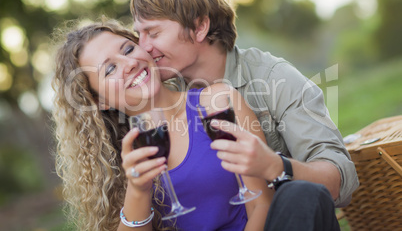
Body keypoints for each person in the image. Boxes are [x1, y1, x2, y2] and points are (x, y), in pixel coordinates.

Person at [130, 0, 359, 230]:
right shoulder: (164, 96)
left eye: (153, 33)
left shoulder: (274, 78)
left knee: (301, 194)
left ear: (199, 27)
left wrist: (276, 166)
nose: (143, 46)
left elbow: (343, 180)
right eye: (139, 34)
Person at [52, 19, 272, 231]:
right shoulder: (115, 160)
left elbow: (262, 203)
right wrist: (138, 190)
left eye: (128, 50)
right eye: (110, 69)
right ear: (100, 101)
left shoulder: (216, 101)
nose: (129, 64)